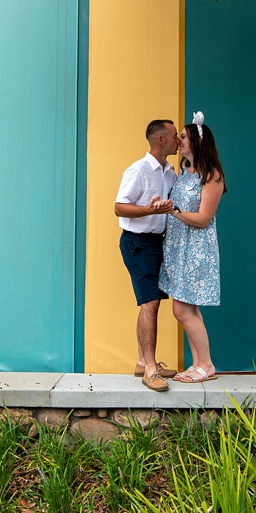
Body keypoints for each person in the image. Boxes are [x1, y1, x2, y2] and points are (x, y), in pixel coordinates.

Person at [115, 119, 181, 392]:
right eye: (175, 135)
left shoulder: (169, 172)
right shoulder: (139, 170)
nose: (179, 140)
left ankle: (143, 361)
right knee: (150, 303)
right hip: (137, 243)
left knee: (150, 303)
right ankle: (151, 370)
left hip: (157, 243)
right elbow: (119, 207)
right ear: (161, 140)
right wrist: (149, 211)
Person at [159, 112, 226, 383]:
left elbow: (203, 219)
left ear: (197, 142)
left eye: (183, 137)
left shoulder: (212, 176)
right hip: (178, 248)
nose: (178, 141)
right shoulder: (183, 173)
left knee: (182, 310)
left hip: (196, 250)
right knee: (189, 309)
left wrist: (173, 211)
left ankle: (206, 364)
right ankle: (198, 363)